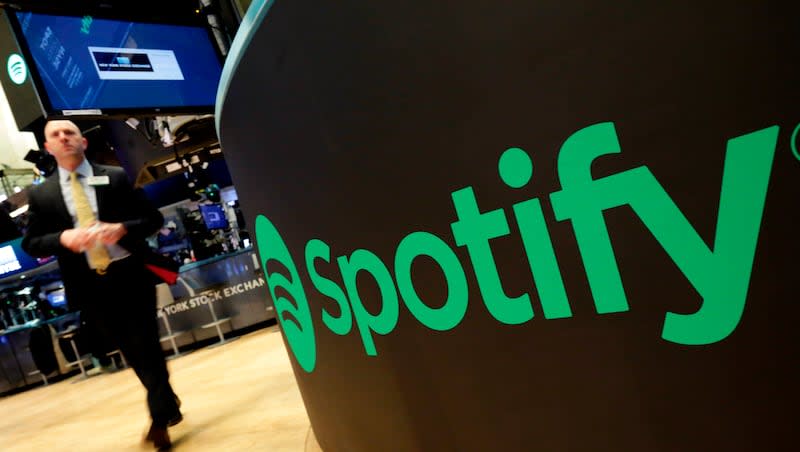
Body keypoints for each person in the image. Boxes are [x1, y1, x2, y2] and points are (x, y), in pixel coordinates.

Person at [22, 120, 182, 450]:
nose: (64, 138)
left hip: (130, 273)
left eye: (70, 133)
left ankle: (159, 419)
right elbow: (32, 243)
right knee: (131, 350)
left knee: (147, 344)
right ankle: (168, 402)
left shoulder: (116, 177)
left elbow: (153, 220)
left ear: (83, 141)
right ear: (47, 147)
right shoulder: (41, 194)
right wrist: (63, 237)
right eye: (55, 135)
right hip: (90, 284)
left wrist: (122, 228)